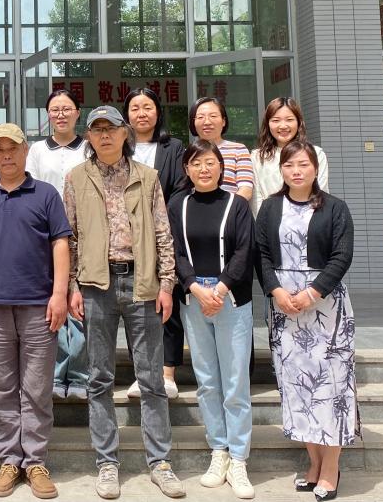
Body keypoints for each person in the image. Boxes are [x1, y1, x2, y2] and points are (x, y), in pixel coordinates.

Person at [63, 105, 185, 500]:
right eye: (97, 129)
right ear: (89, 136)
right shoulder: (76, 178)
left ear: (124, 134)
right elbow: (70, 236)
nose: (104, 135)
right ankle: (107, 462)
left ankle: (160, 462)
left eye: (111, 129)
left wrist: (166, 283)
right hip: (95, 285)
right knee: (99, 377)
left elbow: (163, 232)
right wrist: (71, 287)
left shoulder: (147, 177)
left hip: (141, 283)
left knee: (151, 378)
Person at [256, 141, 359, 502]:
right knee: (298, 388)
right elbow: (261, 254)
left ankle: (331, 468)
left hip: (326, 309)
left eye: (303, 164)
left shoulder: (335, 207)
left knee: (331, 389)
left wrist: (312, 293)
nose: (296, 171)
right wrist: (276, 291)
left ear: (316, 168)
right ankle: (313, 463)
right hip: (284, 308)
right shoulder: (270, 208)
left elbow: (342, 256)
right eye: (289, 165)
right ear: (281, 170)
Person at [0, 123, 71, 500]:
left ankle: (35, 461)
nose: (7, 155)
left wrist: (59, 294)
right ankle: (9, 460)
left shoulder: (46, 194)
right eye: (0, 149)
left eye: (13, 148)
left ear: (25, 151)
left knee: (36, 387)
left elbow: (60, 244)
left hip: (38, 306)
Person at [167, 140, 256, 500]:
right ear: (186, 169)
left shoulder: (237, 205)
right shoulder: (178, 205)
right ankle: (218, 450)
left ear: (221, 167)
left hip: (230, 299)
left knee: (235, 382)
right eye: (196, 163)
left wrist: (218, 289)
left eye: (210, 162)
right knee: (206, 381)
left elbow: (245, 251)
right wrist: (193, 286)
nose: (204, 169)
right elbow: (173, 250)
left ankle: (239, 458)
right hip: (194, 300)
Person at [124, 87, 188, 401]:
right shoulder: (119, 147)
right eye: (135, 108)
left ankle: (167, 373)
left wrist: (156, 219)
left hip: (163, 235)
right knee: (136, 307)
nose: (142, 113)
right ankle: (142, 373)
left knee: (166, 302)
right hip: (126, 239)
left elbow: (180, 189)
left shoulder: (173, 147)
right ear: (126, 115)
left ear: (158, 111)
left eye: (147, 107)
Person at [27, 89, 89, 402]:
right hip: (47, 234)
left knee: (78, 301)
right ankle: (55, 373)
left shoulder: (89, 147)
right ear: (48, 115)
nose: (61, 114)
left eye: (67, 109)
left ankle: (78, 374)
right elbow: (32, 188)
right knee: (53, 299)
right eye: (55, 109)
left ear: (78, 113)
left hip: (84, 232)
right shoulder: (37, 150)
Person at [251, 97, 329, 215]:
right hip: (270, 220)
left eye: (289, 120)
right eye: (276, 120)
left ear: (298, 122)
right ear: (267, 123)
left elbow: (321, 191)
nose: (283, 126)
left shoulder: (316, 153)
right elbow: (256, 199)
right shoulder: (257, 157)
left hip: (310, 219)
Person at [188, 97, 253, 202]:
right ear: (193, 122)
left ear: (223, 121)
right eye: (200, 117)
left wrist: (229, 208)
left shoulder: (238, 150)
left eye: (213, 116)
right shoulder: (188, 153)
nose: (207, 122)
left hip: (231, 210)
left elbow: (246, 189)